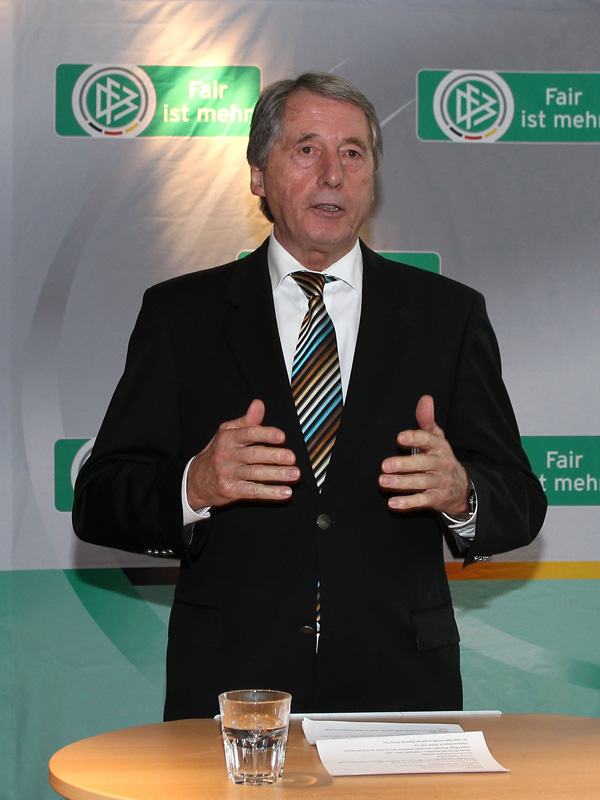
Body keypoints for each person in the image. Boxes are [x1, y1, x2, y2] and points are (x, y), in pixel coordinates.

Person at [73, 72, 547, 719]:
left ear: (372, 178)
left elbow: (520, 501)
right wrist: (193, 484)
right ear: (258, 175)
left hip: (400, 688)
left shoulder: (448, 316)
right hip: (233, 688)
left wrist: (464, 494)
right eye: (306, 150)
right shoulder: (181, 316)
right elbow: (98, 500)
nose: (333, 175)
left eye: (353, 153)